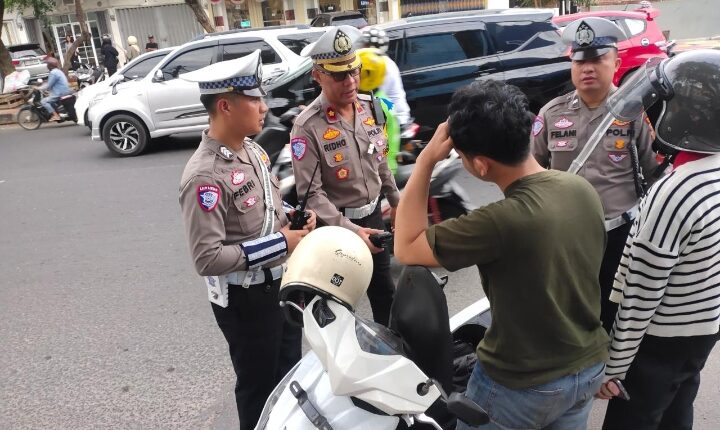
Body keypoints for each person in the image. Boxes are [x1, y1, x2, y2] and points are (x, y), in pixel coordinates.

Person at [394, 80, 610, 430]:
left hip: (521, 383)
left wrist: (425, 161)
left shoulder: (500, 222)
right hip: (586, 367)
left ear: (481, 165)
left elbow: (406, 246)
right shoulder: (579, 188)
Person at [178, 50, 316, 430]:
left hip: (280, 286)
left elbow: (267, 204)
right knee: (259, 390)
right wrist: (281, 244)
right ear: (225, 106)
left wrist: (294, 216)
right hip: (246, 299)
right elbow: (207, 258)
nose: (264, 107)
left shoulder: (252, 149)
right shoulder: (204, 176)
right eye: (254, 99)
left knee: (289, 379)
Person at [596, 49, 720, 430]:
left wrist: (613, 368)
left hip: (660, 340)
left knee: (633, 420)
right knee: (678, 408)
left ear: (684, 117)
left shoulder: (676, 192)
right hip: (702, 329)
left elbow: (640, 295)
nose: (651, 121)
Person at [532, 17, 660, 334]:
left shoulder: (634, 112)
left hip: (619, 234)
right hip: (565, 234)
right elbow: (529, 171)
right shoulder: (552, 113)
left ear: (616, 63)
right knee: (568, 305)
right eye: (580, 61)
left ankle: (611, 359)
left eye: (597, 59)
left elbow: (654, 174)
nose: (587, 68)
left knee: (615, 308)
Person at [290, 26, 400, 326]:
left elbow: (380, 159)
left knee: (385, 295)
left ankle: (388, 351)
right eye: (339, 75)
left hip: (373, 218)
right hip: (335, 229)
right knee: (338, 306)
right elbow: (311, 194)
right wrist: (351, 230)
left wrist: (396, 200)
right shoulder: (306, 126)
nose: (350, 81)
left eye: (354, 71)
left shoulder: (370, 108)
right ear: (317, 76)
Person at [356, 47, 401, 173]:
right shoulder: (379, 98)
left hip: (380, 171)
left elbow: (377, 142)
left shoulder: (376, 105)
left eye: (354, 72)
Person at [357, 27, 411, 127]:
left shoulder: (382, 65)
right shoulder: (379, 62)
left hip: (395, 119)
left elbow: (372, 94)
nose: (360, 47)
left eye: (364, 45)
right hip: (385, 113)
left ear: (371, 46)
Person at [39, 57, 72, 122]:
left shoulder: (53, 73)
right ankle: (58, 112)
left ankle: (56, 115)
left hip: (60, 93)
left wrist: (38, 88)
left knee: (43, 101)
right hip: (65, 91)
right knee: (50, 98)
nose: (47, 66)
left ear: (50, 65)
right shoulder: (59, 71)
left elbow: (48, 85)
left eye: (47, 64)